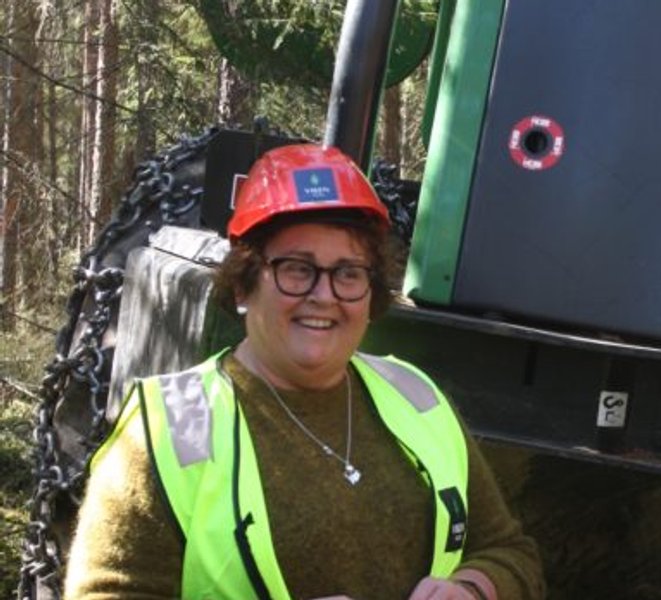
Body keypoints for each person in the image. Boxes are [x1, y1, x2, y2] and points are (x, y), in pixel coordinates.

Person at [64, 143, 544, 599]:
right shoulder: (167, 432)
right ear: (243, 286)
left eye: (348, 273)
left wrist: (473, 588)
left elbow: (509, 552)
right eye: (297, 269)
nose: (324, 294)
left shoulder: (417, 400)